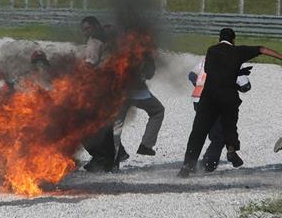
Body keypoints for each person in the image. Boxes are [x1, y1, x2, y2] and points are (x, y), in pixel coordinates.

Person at [178, 28, 282, 178]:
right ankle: (231, 150)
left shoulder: (211, 50)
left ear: (219, 39)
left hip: (209, 97)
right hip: (228, 96)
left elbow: (208, 69)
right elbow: (262, 49)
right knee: (229, 126)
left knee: (198, 131)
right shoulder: (238, 51)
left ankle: (187, 166)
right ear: (233, 40)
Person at [188, 57, 252, 172]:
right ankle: (208, 164)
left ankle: (189, 163)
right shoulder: (233, 59)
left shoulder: (207, 58)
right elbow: (245, 86)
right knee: (220, 136)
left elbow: (192, 75)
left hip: (197, 99)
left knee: (202, 132)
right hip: (215, 101)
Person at [113, 51, 165, 169]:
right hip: (138, 92)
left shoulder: (119, 45)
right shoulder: (144, 48)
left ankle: (114, 161)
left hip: (119, 92)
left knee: (116, 126)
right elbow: (149, 74)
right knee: (158, 111)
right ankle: (146, 145)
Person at [80, 16, 115, 173]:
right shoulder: (108, 40)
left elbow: (89, 65)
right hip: (109, 88)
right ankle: (107, 159)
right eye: (83, 29)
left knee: (83, 124)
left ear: (95, 26)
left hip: (96, 89)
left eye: (87, 28)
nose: (84, 31)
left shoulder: (94, 42)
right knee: (106, 125)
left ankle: (100, 158)